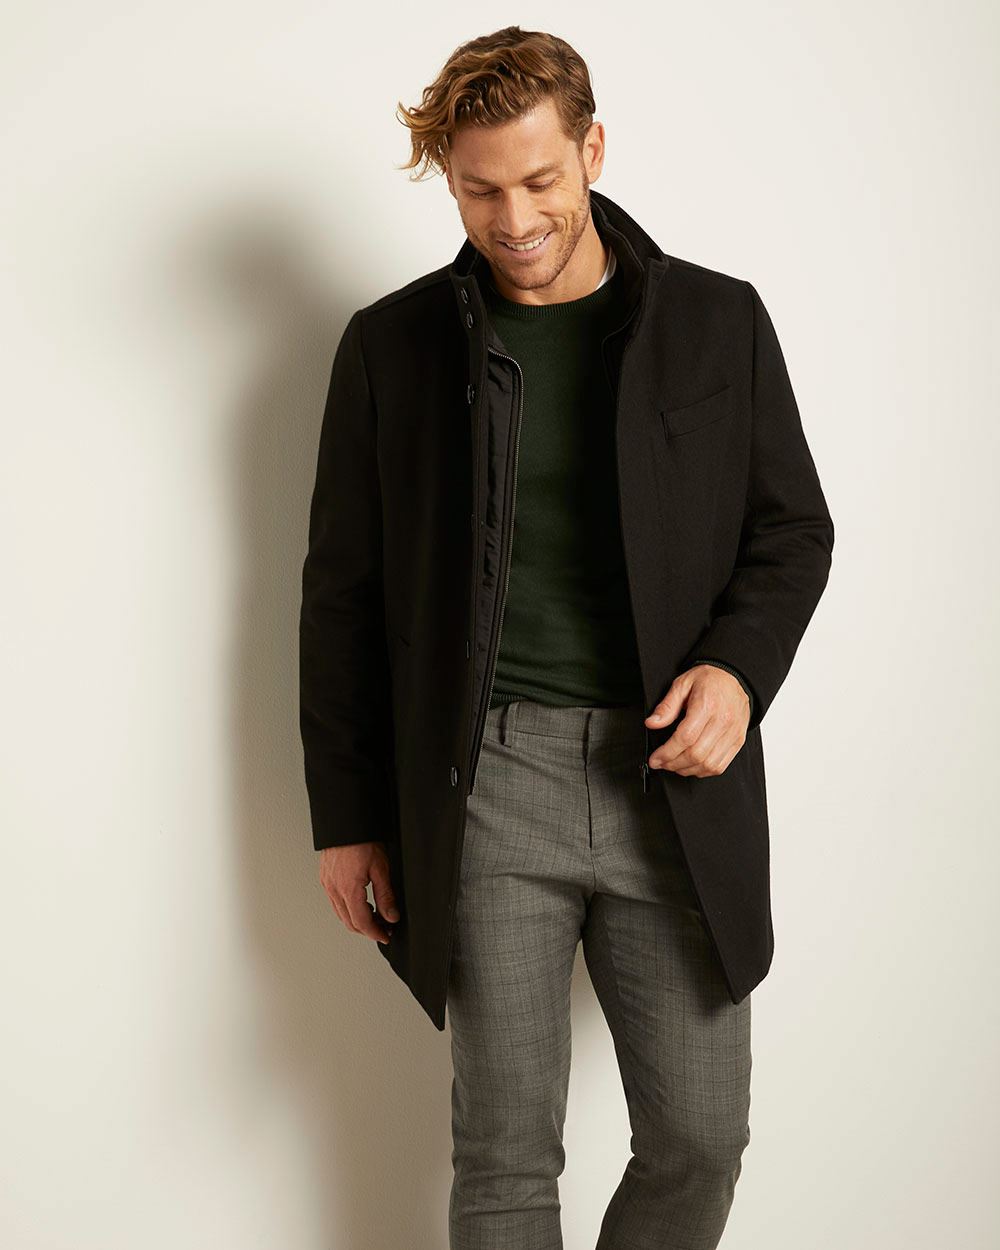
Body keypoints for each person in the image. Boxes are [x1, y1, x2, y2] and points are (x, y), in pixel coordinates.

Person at [299, 24, 834, 1250]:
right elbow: (340, 594)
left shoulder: (717, 322)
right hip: (487, 781)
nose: (515, 218)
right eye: (479, 190)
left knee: (700, 1137)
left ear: (591, 151)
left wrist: (737, 670)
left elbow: (792, 529)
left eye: (539, 180)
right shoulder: (391, 347)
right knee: (504, 1153)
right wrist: (347, 812)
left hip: (669, 779)